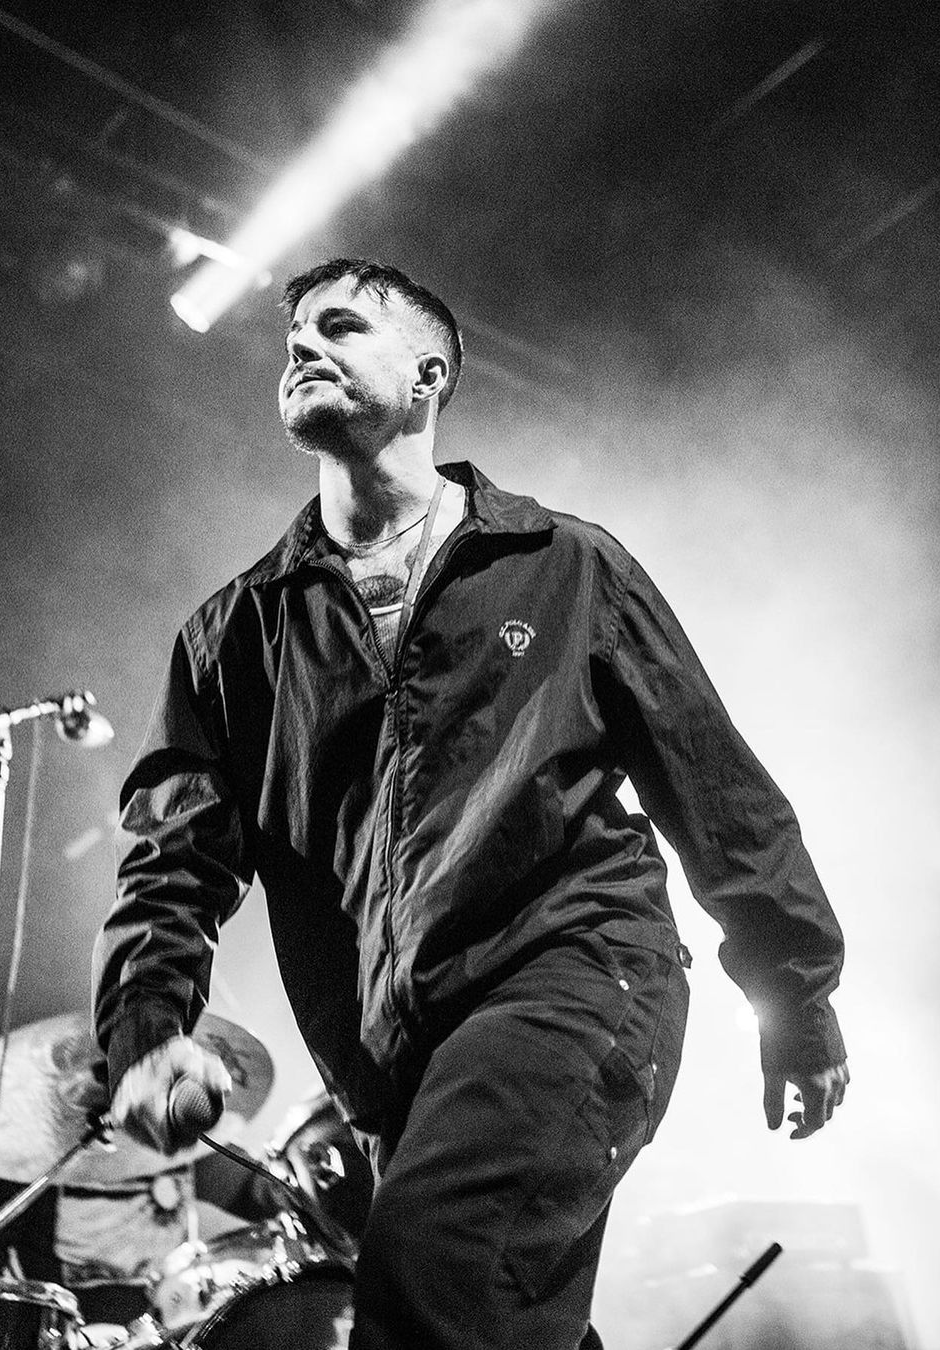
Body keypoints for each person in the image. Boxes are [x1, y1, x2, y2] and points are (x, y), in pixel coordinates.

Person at [92, 258, 848, 1349]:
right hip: (395, 1060)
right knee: (495, 1315)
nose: (303, 346)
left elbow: (713, 784)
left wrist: (796, 993)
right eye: (295, 335)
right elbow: (173, 860)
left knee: (433, 1274)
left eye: (342, 327)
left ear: (429, 376)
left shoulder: (564, 564)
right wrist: (147, 1030)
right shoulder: (235, 634)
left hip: (578, 967)